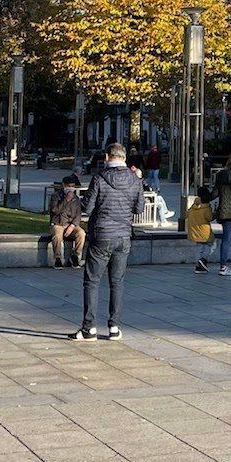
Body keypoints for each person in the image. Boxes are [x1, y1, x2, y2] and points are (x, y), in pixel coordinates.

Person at [70, 142, 143, 341]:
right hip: (123, 236)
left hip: (102, 234)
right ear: (124, 158)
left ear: (106, 157)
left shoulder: (99, 178)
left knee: (92, 281)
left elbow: (87, 207)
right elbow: (139, 209)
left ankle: (89, 328)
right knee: (117, 282)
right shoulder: (134, 180)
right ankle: (114, 326)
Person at [49, 175, 85, 268]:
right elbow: (55, 210)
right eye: (69, 186)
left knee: (81, 233)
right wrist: (66, 200)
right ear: (64, 185)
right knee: (57, 235)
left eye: (73, 186)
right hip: (58, 223)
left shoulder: (75, 198)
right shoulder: (56, 196)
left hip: (71, 224)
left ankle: (76, 256)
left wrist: (72, 225)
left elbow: (78, 214)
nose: (71, 188)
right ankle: (57, 258)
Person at [187, 185, 215, 273]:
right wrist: (215, 213)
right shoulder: (206, 207)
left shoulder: (193, 205)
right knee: (212, 245)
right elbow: (209, 218)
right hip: (204, 231)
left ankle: (198, 267)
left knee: (199, 247)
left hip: (195, 230)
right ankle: (203, 260)